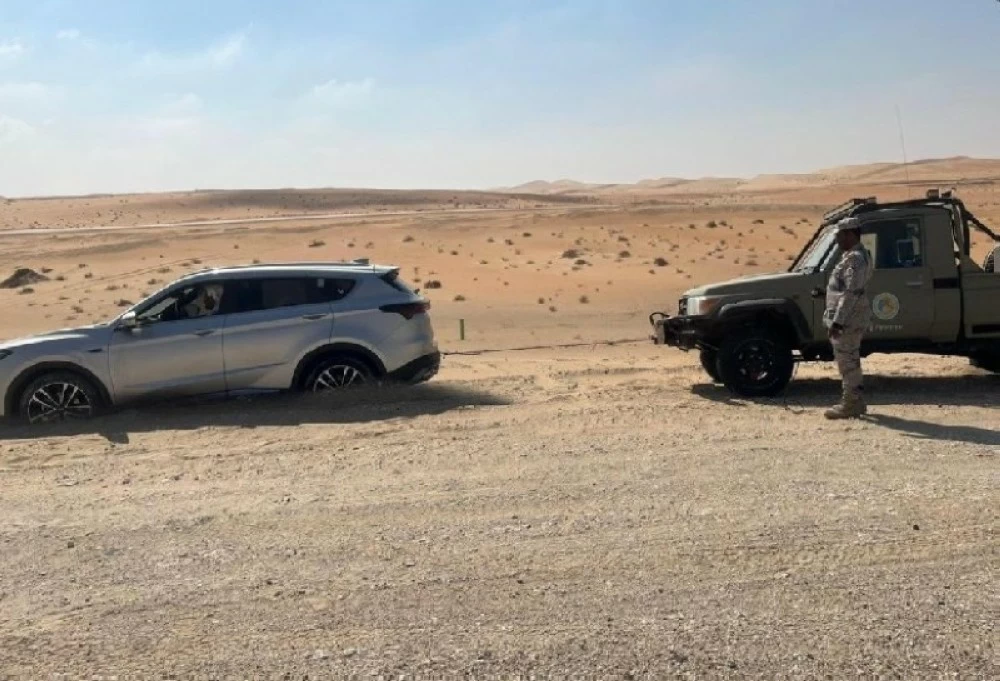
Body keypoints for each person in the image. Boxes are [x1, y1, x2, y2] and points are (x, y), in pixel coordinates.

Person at [823, 216, 873, 419]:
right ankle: (855, 401)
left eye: (840, 236)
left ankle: (851, 403)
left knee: (847, 361)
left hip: (849, 318)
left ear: (850, 234)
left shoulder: (855, 259)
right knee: (850, 358)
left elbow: (851, 292)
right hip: (851, 316)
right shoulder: (856, 255)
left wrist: (838, 321)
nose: (837, 240)